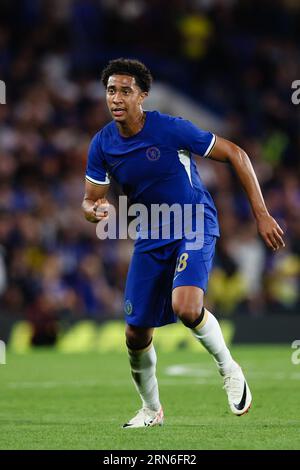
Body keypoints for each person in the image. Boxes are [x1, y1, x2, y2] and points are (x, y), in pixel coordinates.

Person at [82, 58, 285, 428]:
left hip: (194, 223)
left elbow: (236, 154)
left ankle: (230, 369)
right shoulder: (102, 144)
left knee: (186, 306)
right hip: (151, 234)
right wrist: (93, 211)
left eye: (126, 91)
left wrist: (261, 214)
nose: (116, 97)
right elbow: (90, 198)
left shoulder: (170, 129)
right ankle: (151, 410)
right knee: (135, 333)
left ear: (142, 96)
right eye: (111, 90)